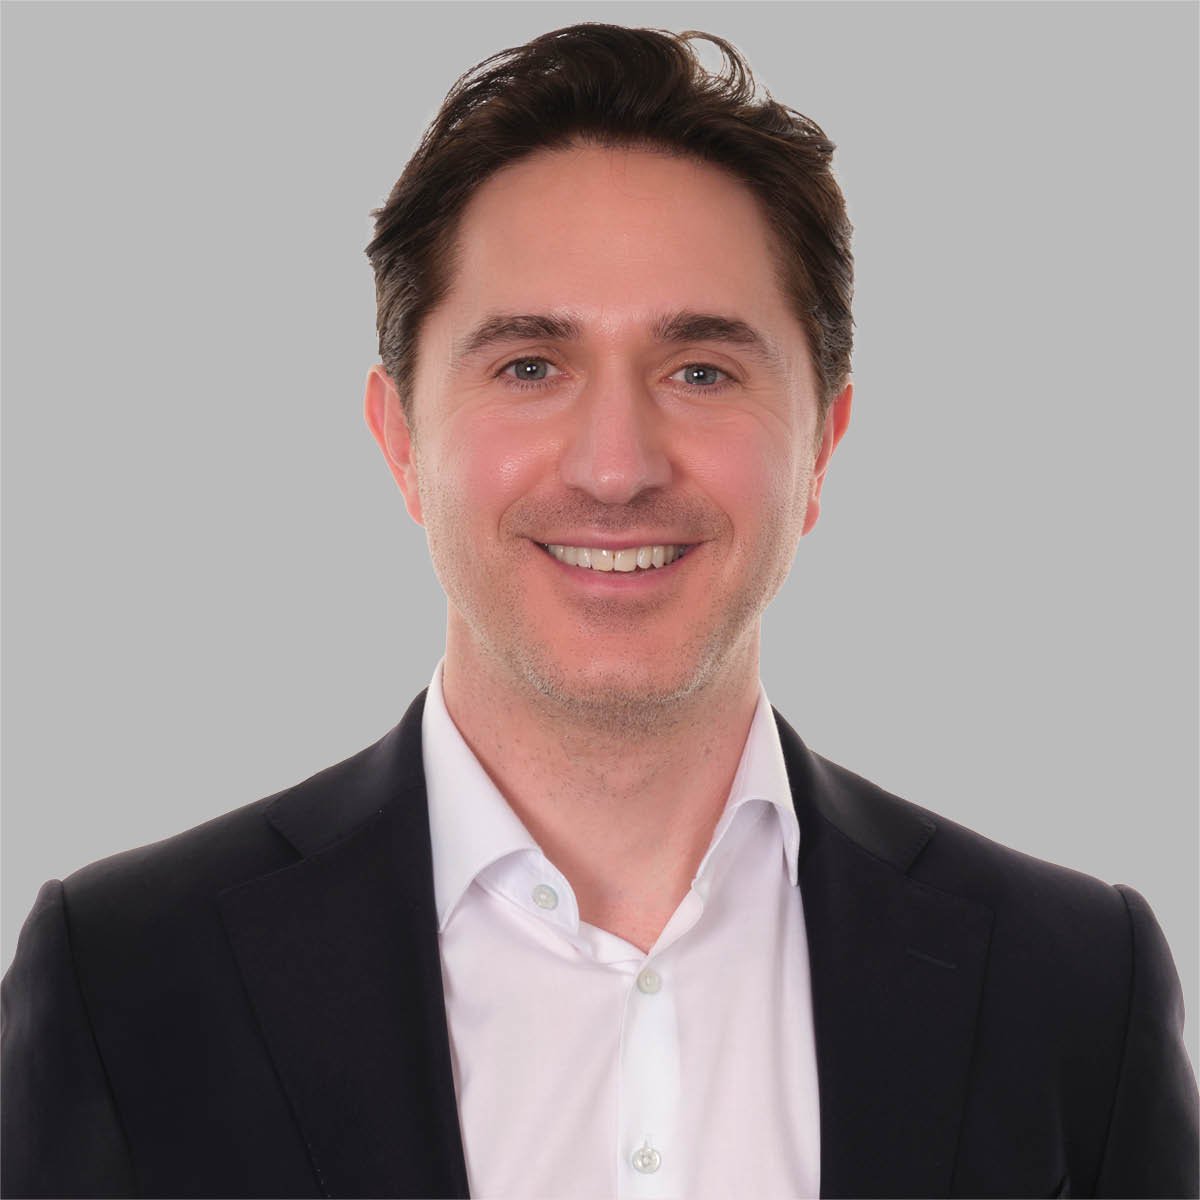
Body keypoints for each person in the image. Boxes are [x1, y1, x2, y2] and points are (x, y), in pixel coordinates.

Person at [2, 21, 1196, 1200]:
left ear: (821, 447)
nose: (616, 468)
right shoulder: (125, 978)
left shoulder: (1075, 986)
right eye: (529, 366)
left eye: (701, 371)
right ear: (401, 441)